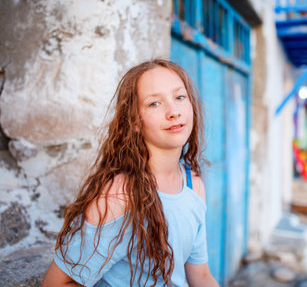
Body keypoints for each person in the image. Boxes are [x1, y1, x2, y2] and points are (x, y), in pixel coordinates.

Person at [42, 59, 218, 287]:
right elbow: (54, 284)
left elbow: (201, 277)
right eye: (154, 103)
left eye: (179, 97)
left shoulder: (194, 185)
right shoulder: (120, 195)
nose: (173, 111)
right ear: (135, 121)